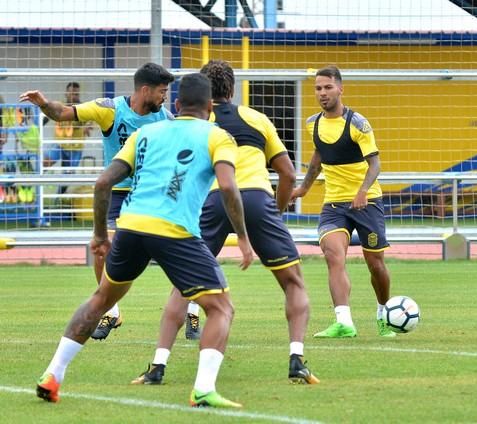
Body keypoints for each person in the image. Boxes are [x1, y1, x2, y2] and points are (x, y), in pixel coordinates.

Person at [35, 72, 254, 408]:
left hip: (131, 226)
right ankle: (204, 388)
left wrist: (98, 235)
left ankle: (53, 375)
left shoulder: (146, 132)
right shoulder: (218, 136)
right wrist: (242, 236)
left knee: (100, 300)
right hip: (175, 231)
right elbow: (227, 187)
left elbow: (102, 183)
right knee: (221, 307)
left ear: (177, 104)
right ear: (210, 107)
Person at [132, 60, 318, 386]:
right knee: (293, 282)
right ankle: (296, 360)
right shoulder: (256, 118)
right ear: (231, 90)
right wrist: (276, 209)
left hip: (212, 202)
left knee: (183, 285)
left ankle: (158, 366)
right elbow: (288, 174)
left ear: (203, 95)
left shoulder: (194, 124)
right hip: (258, 200)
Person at [20, 63, 176, 339]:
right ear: (145, 90)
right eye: (162, 91)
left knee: (176, 251)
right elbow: (63, 113)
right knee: (102, 249)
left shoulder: (166, 119)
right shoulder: (110, 110)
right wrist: (43, 104)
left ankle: (192, 310)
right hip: (117, 194)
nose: (165, 97)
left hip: (153, 194)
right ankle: (111, 311)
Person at [291, 65, 396, 338]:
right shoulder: (313, 123)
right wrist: (303, 188)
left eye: (327, 87)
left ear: (340, 88)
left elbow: (375, 164)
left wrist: (363, 190)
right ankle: (343, 322)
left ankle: (384, 314)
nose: (322, 93)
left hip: (367, 202)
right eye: (318, 88)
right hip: (334, 205)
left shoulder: (358, 123)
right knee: (333, 256)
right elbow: (319, 156)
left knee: (375, 264)